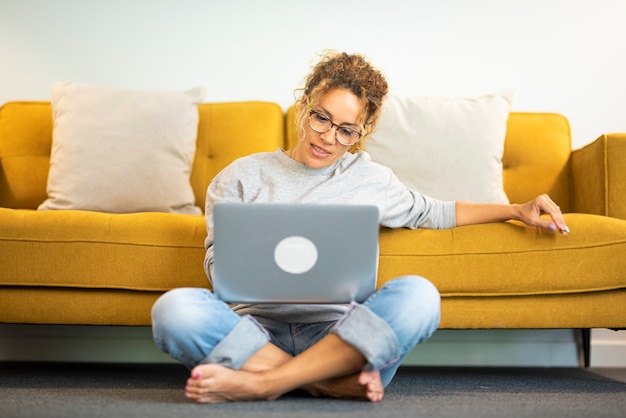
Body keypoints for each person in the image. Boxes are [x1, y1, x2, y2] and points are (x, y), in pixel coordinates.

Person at [151, 51, 569, 404]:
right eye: (321, 119)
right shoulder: (241, 175)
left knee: (420, 296)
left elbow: (435, 212)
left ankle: (265, 382)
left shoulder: (371, 178)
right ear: (304, 104)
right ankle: (331, 382)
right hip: (254, 331)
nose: (328, 138)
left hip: (339, 333)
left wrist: (515, 209)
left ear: (361, 132)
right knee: (173, 310)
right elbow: (215, 263)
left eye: (347, 130)